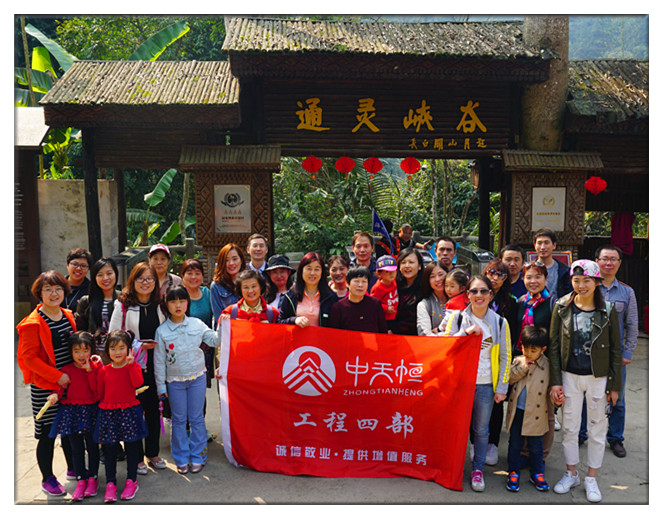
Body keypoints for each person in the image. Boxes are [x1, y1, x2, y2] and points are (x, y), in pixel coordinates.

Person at [549, 260, 622, 503]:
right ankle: (571, 473)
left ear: (597, 282)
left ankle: (591, 477)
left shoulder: (608, 310)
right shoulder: (561, 307)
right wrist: (556, 381)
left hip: (597, 378)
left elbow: (616, 350)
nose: (581, 285)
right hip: (569, 376)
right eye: (576, 280)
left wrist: (614, 386)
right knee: (569, 427)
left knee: (597, 428)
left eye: (587, 280)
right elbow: (554, 346)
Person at [442, 275, 511, 492]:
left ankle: (478, 469)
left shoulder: (500, 322)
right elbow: (445, 347)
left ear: (491, 295)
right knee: (456, 428)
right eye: (474, 291)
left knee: (481, 430)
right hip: (460, 383)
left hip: (485, 385)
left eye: (483, 291)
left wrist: (502, 388)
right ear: (467, 295)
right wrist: (465, 333)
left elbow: (505, 357)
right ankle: (452, 467)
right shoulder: (457, 318)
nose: (479, 295)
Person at [17, 270, 76, 496]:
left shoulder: (67, 314)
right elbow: (29, 358)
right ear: (39, 293)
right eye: (48, 289)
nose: (54, 293)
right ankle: (47, 478)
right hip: (46, 387)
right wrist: (56, 377)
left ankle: (73, 468)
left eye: (58, 289)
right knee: (47, 434)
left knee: (69, 429)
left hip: (69, 383)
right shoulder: (32, 323)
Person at [578, 245, 639, 458]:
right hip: (588, 352)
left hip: (614, 355)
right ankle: (581, 434)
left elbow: (632, 324)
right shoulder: (587, 287)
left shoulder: (627, 292)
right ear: (597, 261)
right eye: (604, 259)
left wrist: (628, 352)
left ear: (619, 263)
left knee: (617, 398)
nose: (608, 263)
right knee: (585, 395)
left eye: (613, 259)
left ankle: (615, 438)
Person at [108, 262, 167, 475]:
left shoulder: (160, 304)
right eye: (141, 278)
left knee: (153, 410)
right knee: (133, 412)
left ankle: (153, 453)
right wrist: (139, 345)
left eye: (150, 278)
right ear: (133, 281)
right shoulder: (123, 304)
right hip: (131, 365)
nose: (145, 283)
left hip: (156, 365)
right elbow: (113, 335)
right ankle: (137, 457)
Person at [155, 286, 220, 475]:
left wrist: (223, 323)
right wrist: (161, 387)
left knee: (197, 418)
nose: (178, 305)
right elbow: (159, 361)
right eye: (173, 301)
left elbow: (215, 340)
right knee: (179, 420)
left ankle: (198, 456)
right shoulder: (162, 331)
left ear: (187, 303)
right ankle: (181, 457)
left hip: (197, 378)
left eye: (182, 301)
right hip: (174, 381)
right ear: (166, 304)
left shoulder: (197, 324)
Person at [93, 329, 148, 502]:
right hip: (109, 413)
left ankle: (132, 480)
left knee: (131, 447)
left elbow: (138, 383)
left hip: (129, 412)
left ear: (129, 349)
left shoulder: (133, 367)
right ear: (107, 350)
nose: (117, 352)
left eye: (122, 348)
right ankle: (111, 483)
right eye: (113, 348)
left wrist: (131, 365)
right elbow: (99, 392)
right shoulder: (103, 371)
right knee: (109, 450)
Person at [47, 331, 102, 501]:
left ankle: (93, 478)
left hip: (92, 411)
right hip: (72, 413)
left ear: (91, 350)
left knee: (93, 447)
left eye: (85, 350)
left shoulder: (96, 367)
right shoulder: (67, 369)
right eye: (76, 351)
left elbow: (97, 390)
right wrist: (55, 395)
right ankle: (80, 479)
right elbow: (60, 387)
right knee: (76, 449)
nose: (81, 355)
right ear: (70, 352)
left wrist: (90, 371)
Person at [476, 259, 519, 466]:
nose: (495, 278)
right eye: (491, 272)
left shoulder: (510, 303)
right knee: (475, 406)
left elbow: (513, 335)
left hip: (498, 361)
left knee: (496, 403)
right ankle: (475, 443)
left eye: (501, 275)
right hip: (477, 361)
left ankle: (492, 443)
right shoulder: (475, 297)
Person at [515, 261, 558, 457]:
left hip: (543, 364)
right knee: (523, 408)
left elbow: (556, 339)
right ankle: (524, 453)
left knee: (545, 411)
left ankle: (541, 456)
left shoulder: (553, 304)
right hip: (523, 361)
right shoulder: (521, 302)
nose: (533, 281)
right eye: (529, 277)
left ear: (546, 279)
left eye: (538, 276)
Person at [504, 325, 551, 493]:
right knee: (515, 443)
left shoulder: (547, 365)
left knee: (536, 445)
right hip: (518, 410)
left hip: (536, 413)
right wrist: (523, 367)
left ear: (543, 349)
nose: (528, 353)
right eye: (525, 348)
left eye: (533, 350)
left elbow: (550, 388)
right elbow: (509, 378)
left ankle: (537, 472)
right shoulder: (518, 360)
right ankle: (513, 471)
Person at [75, 257, 121, 365]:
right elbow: (80, 332)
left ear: (116, 274)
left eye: (109, 273)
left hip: (119, 355)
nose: (105, 278)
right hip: (94, 359)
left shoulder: (124, 299)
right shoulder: (86, 301)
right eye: (100, 275)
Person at [278, 252, 338, 328]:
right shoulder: (290, 295)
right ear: (301, 271)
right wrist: (294, 320)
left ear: (322, 272)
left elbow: (337, 326)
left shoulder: (331, 297)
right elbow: (280, 322)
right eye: (309, 269)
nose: (312, 273)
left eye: (317, 269)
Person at [328, 266, 388, 333]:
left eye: (364, 281)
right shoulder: (338, 308)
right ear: (347, 283)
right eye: (356, 281)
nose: (360, 285)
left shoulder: (375, 304)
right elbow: (334, 334)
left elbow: (383, 331)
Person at [210, 243, 246, 326]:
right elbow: (218, 317)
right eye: (226, 260)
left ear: (241, 260)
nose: (231, 263)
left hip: (247, 328)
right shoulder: (216, 286)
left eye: (235, 259)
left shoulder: (249, 281)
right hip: (226, 330)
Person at [533, 228, 572, 300]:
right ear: (535, 245)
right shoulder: (528, 269)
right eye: (539, 243)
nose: (543, 247)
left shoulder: (564, 271)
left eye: (546, 243)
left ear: (554, 245)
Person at [392, 247, 424, 335]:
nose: (407, 266)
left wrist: (394, 330)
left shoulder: (425, 289)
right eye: (403, 262)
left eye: (411, 262)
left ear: (419, 266)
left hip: (414, 336)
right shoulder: (393, 286)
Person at [416, 261, 448, 336]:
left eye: (440, 275)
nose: (437, 279)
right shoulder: (424, 305)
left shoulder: (459, 299)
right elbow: (425, 334)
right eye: (432, 276)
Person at [370, 255, 399, 330]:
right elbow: (373, 303)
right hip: (385, 319)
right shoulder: (377, 288)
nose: (391, 274)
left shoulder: (394, 282)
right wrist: (386, 308)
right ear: (379, 274)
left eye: (393, 270)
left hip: (395, 316)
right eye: (387, 271)